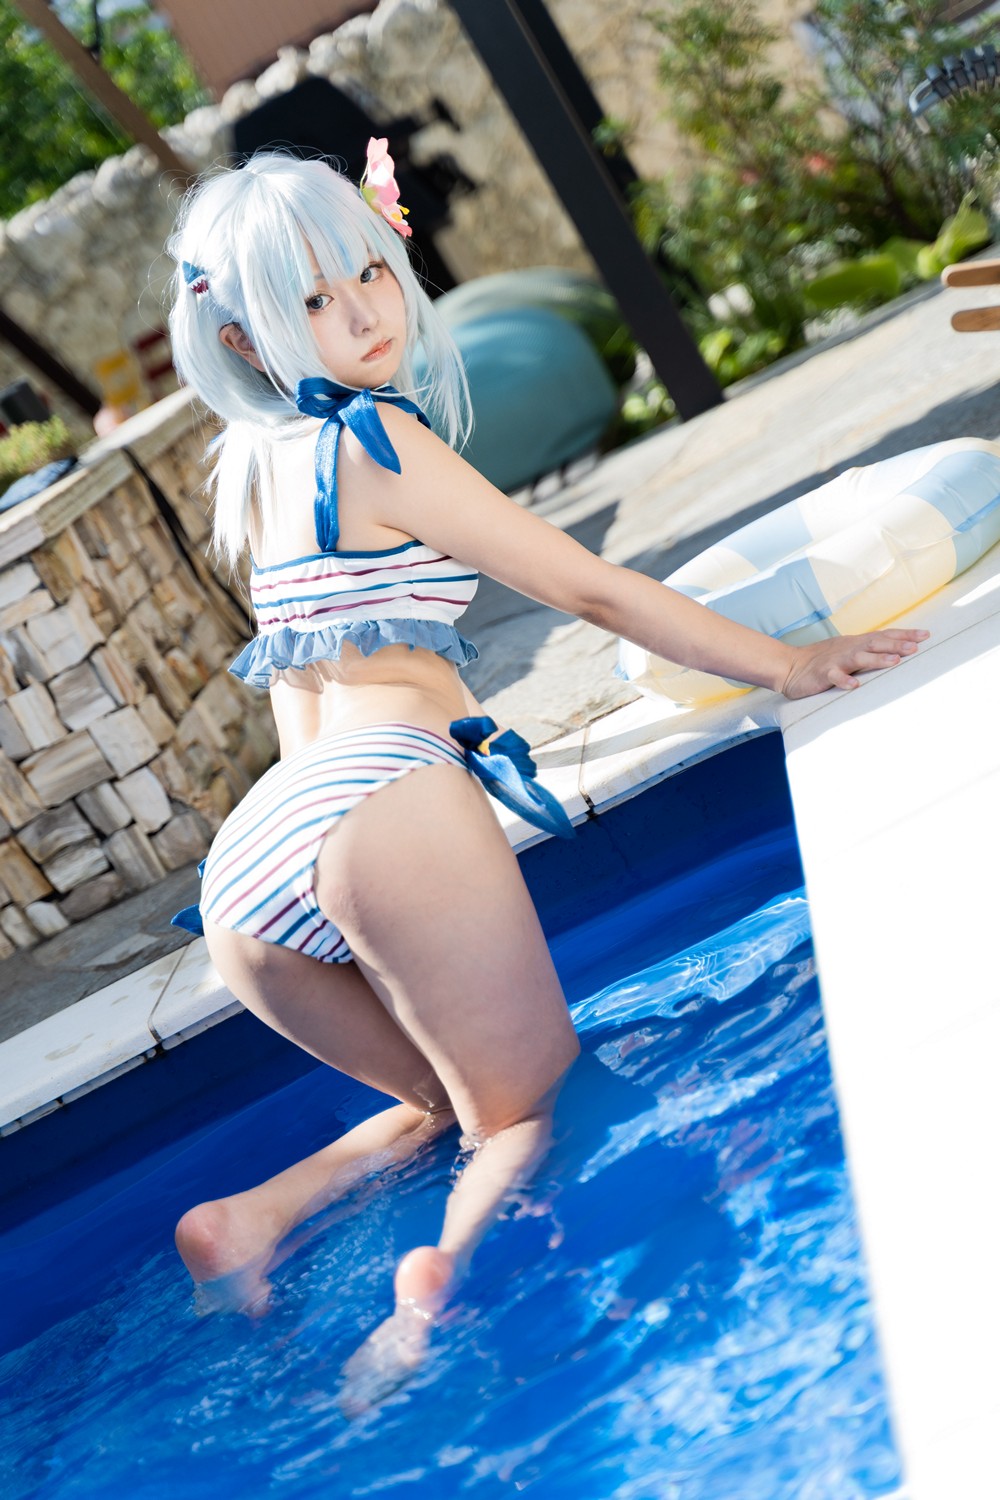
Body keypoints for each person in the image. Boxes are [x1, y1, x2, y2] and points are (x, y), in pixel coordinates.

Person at [166, 143, 927, 1405]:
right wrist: (787, 664)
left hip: (253, 872)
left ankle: (249, 1218)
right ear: (246, 337)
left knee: (440, 1105)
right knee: (522, 1115)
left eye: (370, 272)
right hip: (378, 800)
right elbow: (588, 587)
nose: (363, 312)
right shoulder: (378, 438)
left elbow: (303, 693)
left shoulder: (256, 469)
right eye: (314, 299)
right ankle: (428, 1297)